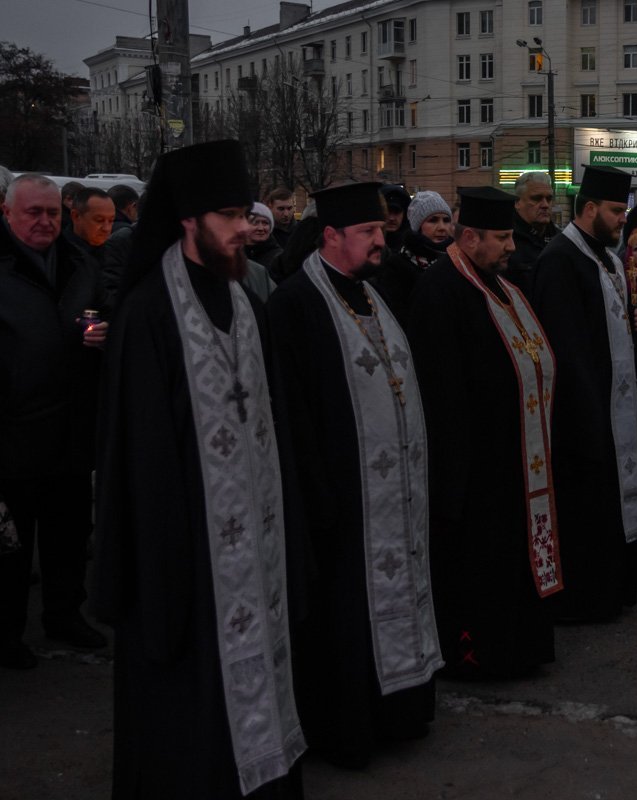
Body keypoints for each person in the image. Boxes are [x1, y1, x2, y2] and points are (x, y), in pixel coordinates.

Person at [93, 140, 305, 797]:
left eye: (245, 212)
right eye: (228, 214)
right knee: (191, 715)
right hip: (185, 559)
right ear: (187, 218)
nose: (245, 227)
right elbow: (142, 460)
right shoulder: (149, 313)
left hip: (255, 548)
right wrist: (166, 575)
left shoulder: (246, 301)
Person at [268, 181, 441, 768]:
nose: (379, 241)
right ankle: (349, 728)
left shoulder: (374, 293)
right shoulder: (295, 304)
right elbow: (292, 413)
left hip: (395, 492)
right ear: (331, 236)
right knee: (343, 616)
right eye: (366, 233)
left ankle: (402, 709)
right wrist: (318, 495)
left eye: (380, 230)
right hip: (341, 497)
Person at [407, 186, 562, 679]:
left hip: (518, 456)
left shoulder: (503, 285)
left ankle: (522, 646)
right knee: (480, 566)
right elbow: (441, 389)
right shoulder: (440, 289)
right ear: (469, 237)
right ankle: (481, 657)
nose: (511, 247)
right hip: (475, 467)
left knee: (511, 559)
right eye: (501, 238)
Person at [530, 165, 637, 621]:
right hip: (585, 414)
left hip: (612, 404)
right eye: (618, 211)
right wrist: (590, 414)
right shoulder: (561, 259)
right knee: (587, 509)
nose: (624, 219)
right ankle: (588, 599)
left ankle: (613, 589)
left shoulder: (604, 257)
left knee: (609, 504)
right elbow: (566, 346)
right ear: (590, 208)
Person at [0, 174, 110, 670]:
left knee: (68, 531)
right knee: (12, 545)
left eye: (52, 212)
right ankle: (6, 634)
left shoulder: (79, 261)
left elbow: (99, 310)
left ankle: (64, 615)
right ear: (7, 213)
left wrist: (100, 333)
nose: (45, 222)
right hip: (14, 429)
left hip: (70, 424)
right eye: (33, 213)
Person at [372, 190, 453, 326]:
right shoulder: (397, 266)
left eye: (446, 220)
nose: (442, 228)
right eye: (433, 220)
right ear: (417, 225)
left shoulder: (456, 261)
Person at [508, 172, 559, 294]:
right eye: (537, 198)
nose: (545, 205)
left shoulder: (560, 239)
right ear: (517, 203)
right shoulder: (506, 240)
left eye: (549, 198)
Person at [65, 186, 116, 260]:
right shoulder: (60, 255)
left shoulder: (114, 253)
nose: (107, 228)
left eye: (111, 220)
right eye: (99, 220)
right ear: (76, 216)